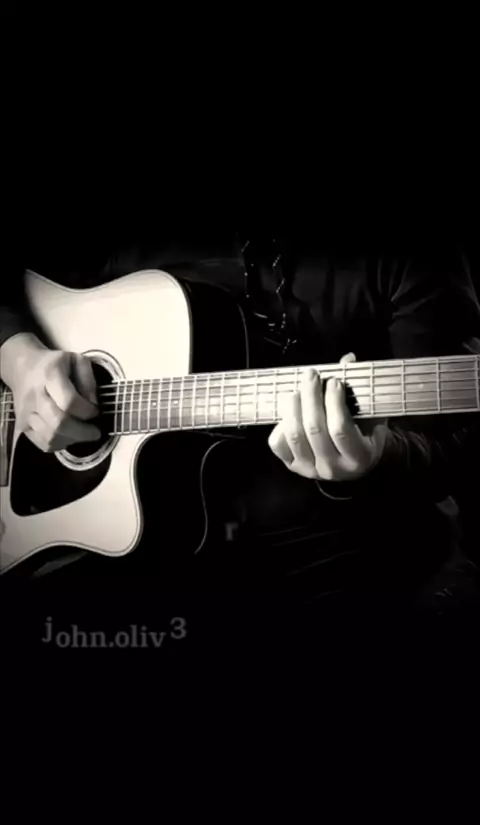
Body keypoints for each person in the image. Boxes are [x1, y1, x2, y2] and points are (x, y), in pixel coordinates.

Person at [2, 228, 480, 628]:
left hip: (351, 556)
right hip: (136, 557)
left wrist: (376, 459)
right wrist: (19, 358)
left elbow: (452, 441)